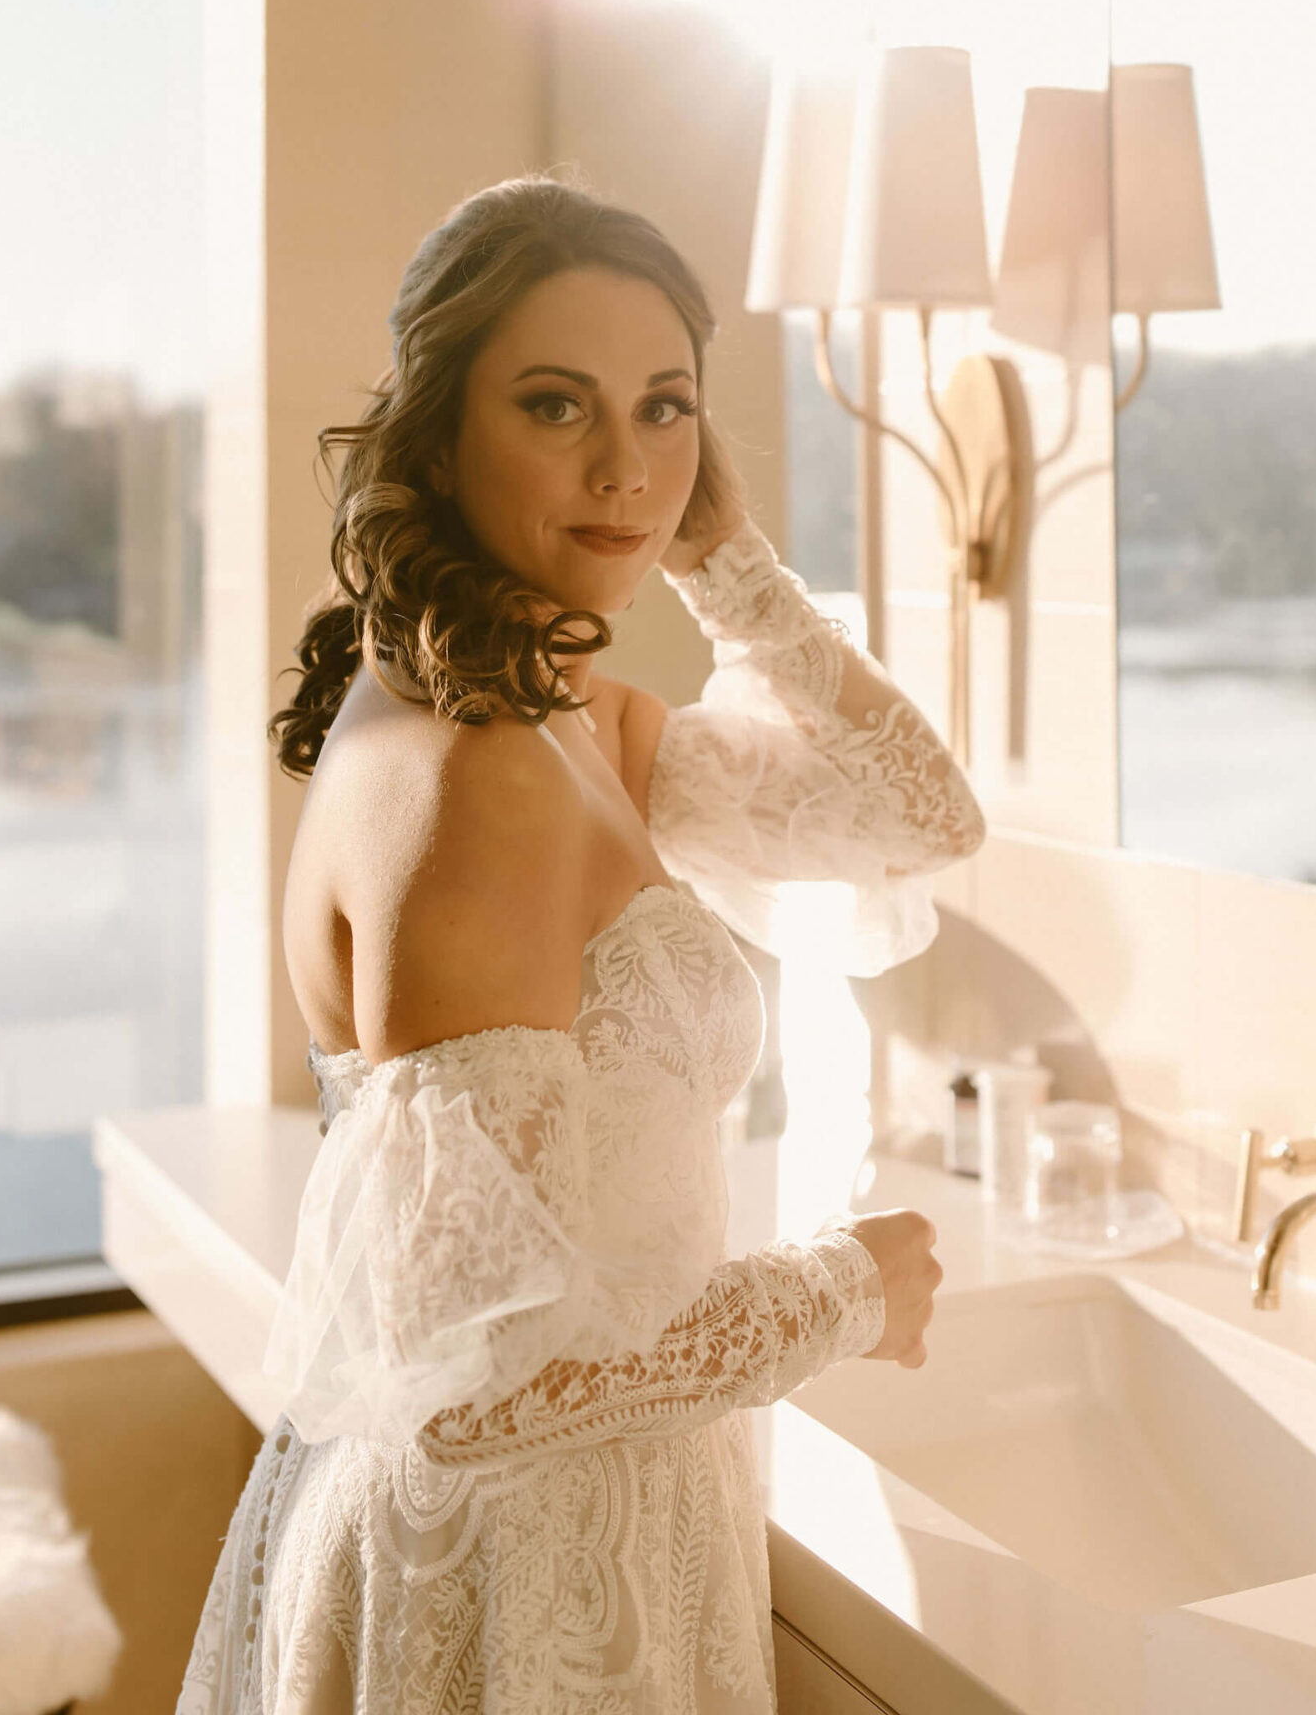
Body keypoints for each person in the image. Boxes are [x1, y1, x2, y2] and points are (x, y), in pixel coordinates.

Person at [178, 174, 985, 1715]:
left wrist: (729, 565)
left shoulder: (570, 721)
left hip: (591, 1540)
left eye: (666, 409)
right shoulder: (471, 766)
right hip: (518, 1591)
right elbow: (482, 1393)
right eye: (558, 407)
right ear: (438, 432)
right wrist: (842, 1293)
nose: (627, 469)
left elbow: (918, 816)